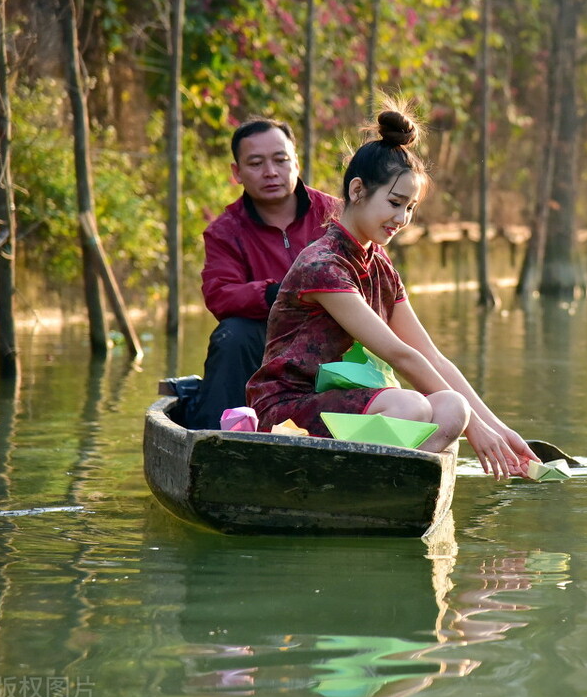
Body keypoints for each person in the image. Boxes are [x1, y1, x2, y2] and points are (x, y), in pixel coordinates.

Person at [246, 104, 538, 479]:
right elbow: (401, 355)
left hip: (344, 405)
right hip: (288, 409)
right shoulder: (322, 266)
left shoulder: (379, 266)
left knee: (452, 406)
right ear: (357, 191)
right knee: (411, 407)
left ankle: (394, 485)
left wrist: (499, 429)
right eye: (395, 203)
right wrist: (476, 433)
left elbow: (429, 354)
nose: (402, 219)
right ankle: (371, 483)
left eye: (411, 208)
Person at [179, 117, 343, 430]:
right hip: (265, 339)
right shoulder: (225, 231)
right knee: (232, 334)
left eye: (280, 160)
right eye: (255, 163)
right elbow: (219, 294)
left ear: (296, 162)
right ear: (237, 173)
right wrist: (278, 294)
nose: (270, 172)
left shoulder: (337, 216)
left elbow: (373, 277)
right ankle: (212, 439)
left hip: (334, 336)